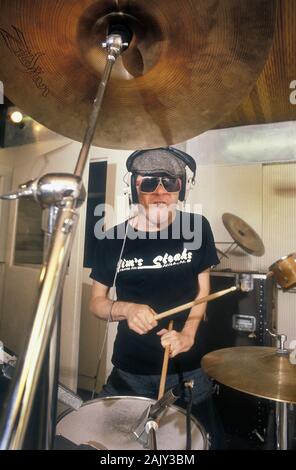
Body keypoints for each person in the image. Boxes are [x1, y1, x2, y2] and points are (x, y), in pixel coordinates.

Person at [89, 147, 224, 449]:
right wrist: (124, 308)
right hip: (129, 369)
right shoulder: (112, 239)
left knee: (194, 445)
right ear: (134, 188)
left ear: (182, 188)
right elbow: (96, 301)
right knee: (119, 447)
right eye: (149, 183)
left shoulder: (197, 228)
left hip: (187, 369)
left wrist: (188, 334)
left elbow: (203, 292)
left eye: (170, 183)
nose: (160, 193)